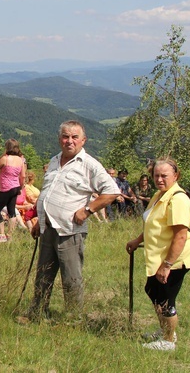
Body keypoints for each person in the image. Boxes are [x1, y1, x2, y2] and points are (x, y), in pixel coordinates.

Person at [24, 120, 120, 320]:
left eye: (74, 137)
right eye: (65, 136)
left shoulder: (89, 165)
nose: (69, 141)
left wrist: (88, 210)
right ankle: (38, 312)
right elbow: (49, 192)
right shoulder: (53, 160)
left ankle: (73, 318)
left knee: (71, 277)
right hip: (48, 228)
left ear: (83, 140)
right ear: (60, 139)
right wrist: (39, 221)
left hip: (69, 231)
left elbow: (111, 191)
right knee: (43, 274)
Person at [126, 158, 190, 351]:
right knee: (152, 289)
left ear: (176, 176)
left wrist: (167, 265)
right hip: (161, 257)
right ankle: (165, 329)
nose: (159, 179)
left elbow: (180, 236)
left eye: (164, 175)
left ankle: (168, 341)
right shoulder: (160, 195)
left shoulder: (178, 199)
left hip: (175, 259)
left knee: (166, 298)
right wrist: (137, 240)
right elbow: (153, 224)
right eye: (156, 175)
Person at [0, 138, 27, 243]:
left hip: (6, 188)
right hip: (16, 187)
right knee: (11, 211)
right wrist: (20, 187)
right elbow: (23, 176)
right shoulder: (20, 160)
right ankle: (9, 235)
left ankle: (1, 234)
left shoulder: (5, 159)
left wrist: (1, 156)